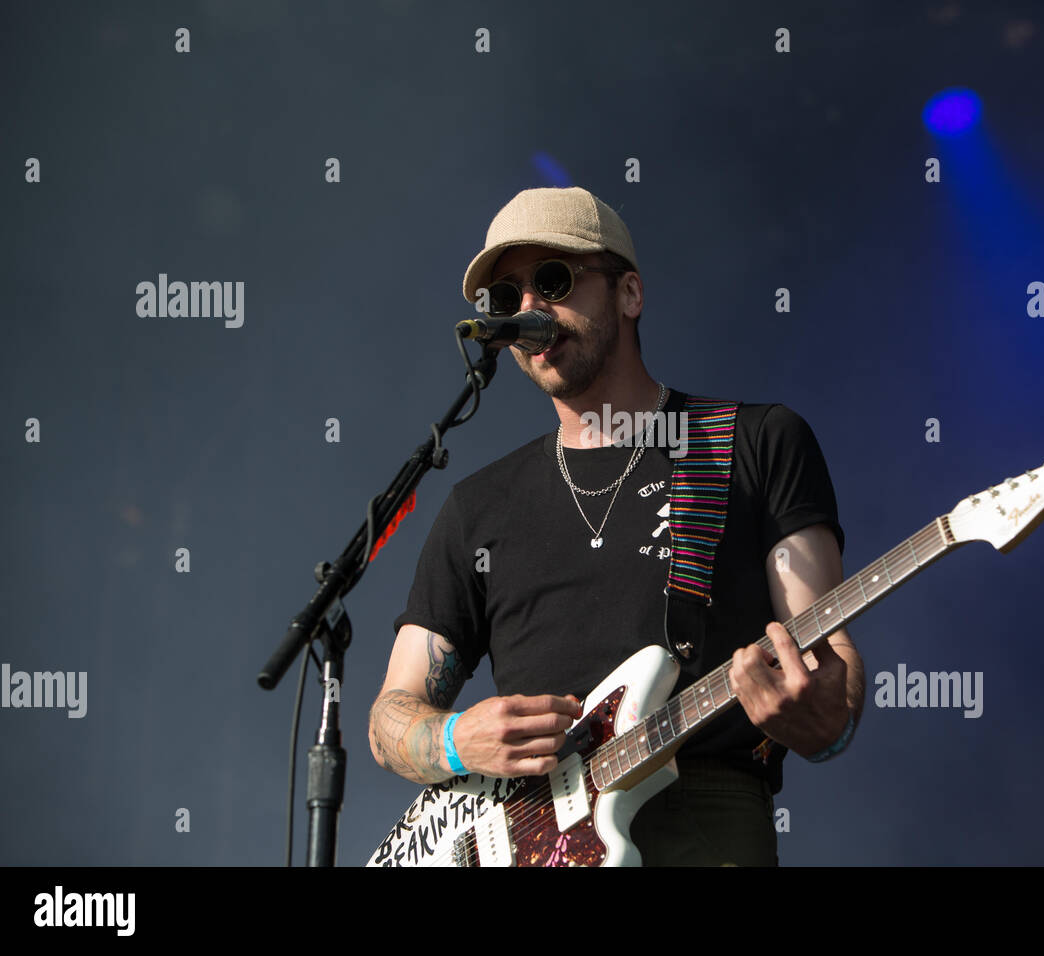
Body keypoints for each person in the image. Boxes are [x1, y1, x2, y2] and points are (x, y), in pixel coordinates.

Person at [368, 186, 865, 866]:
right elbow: (391, 716)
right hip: (530, 843)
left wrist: (819, 716)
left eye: (554, 279)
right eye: (504, 299)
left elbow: (830, 672)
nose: (529, 310)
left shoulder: (755, 442)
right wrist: (455, 740)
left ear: (629, 293)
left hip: (702, 829)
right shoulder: (476, 508)